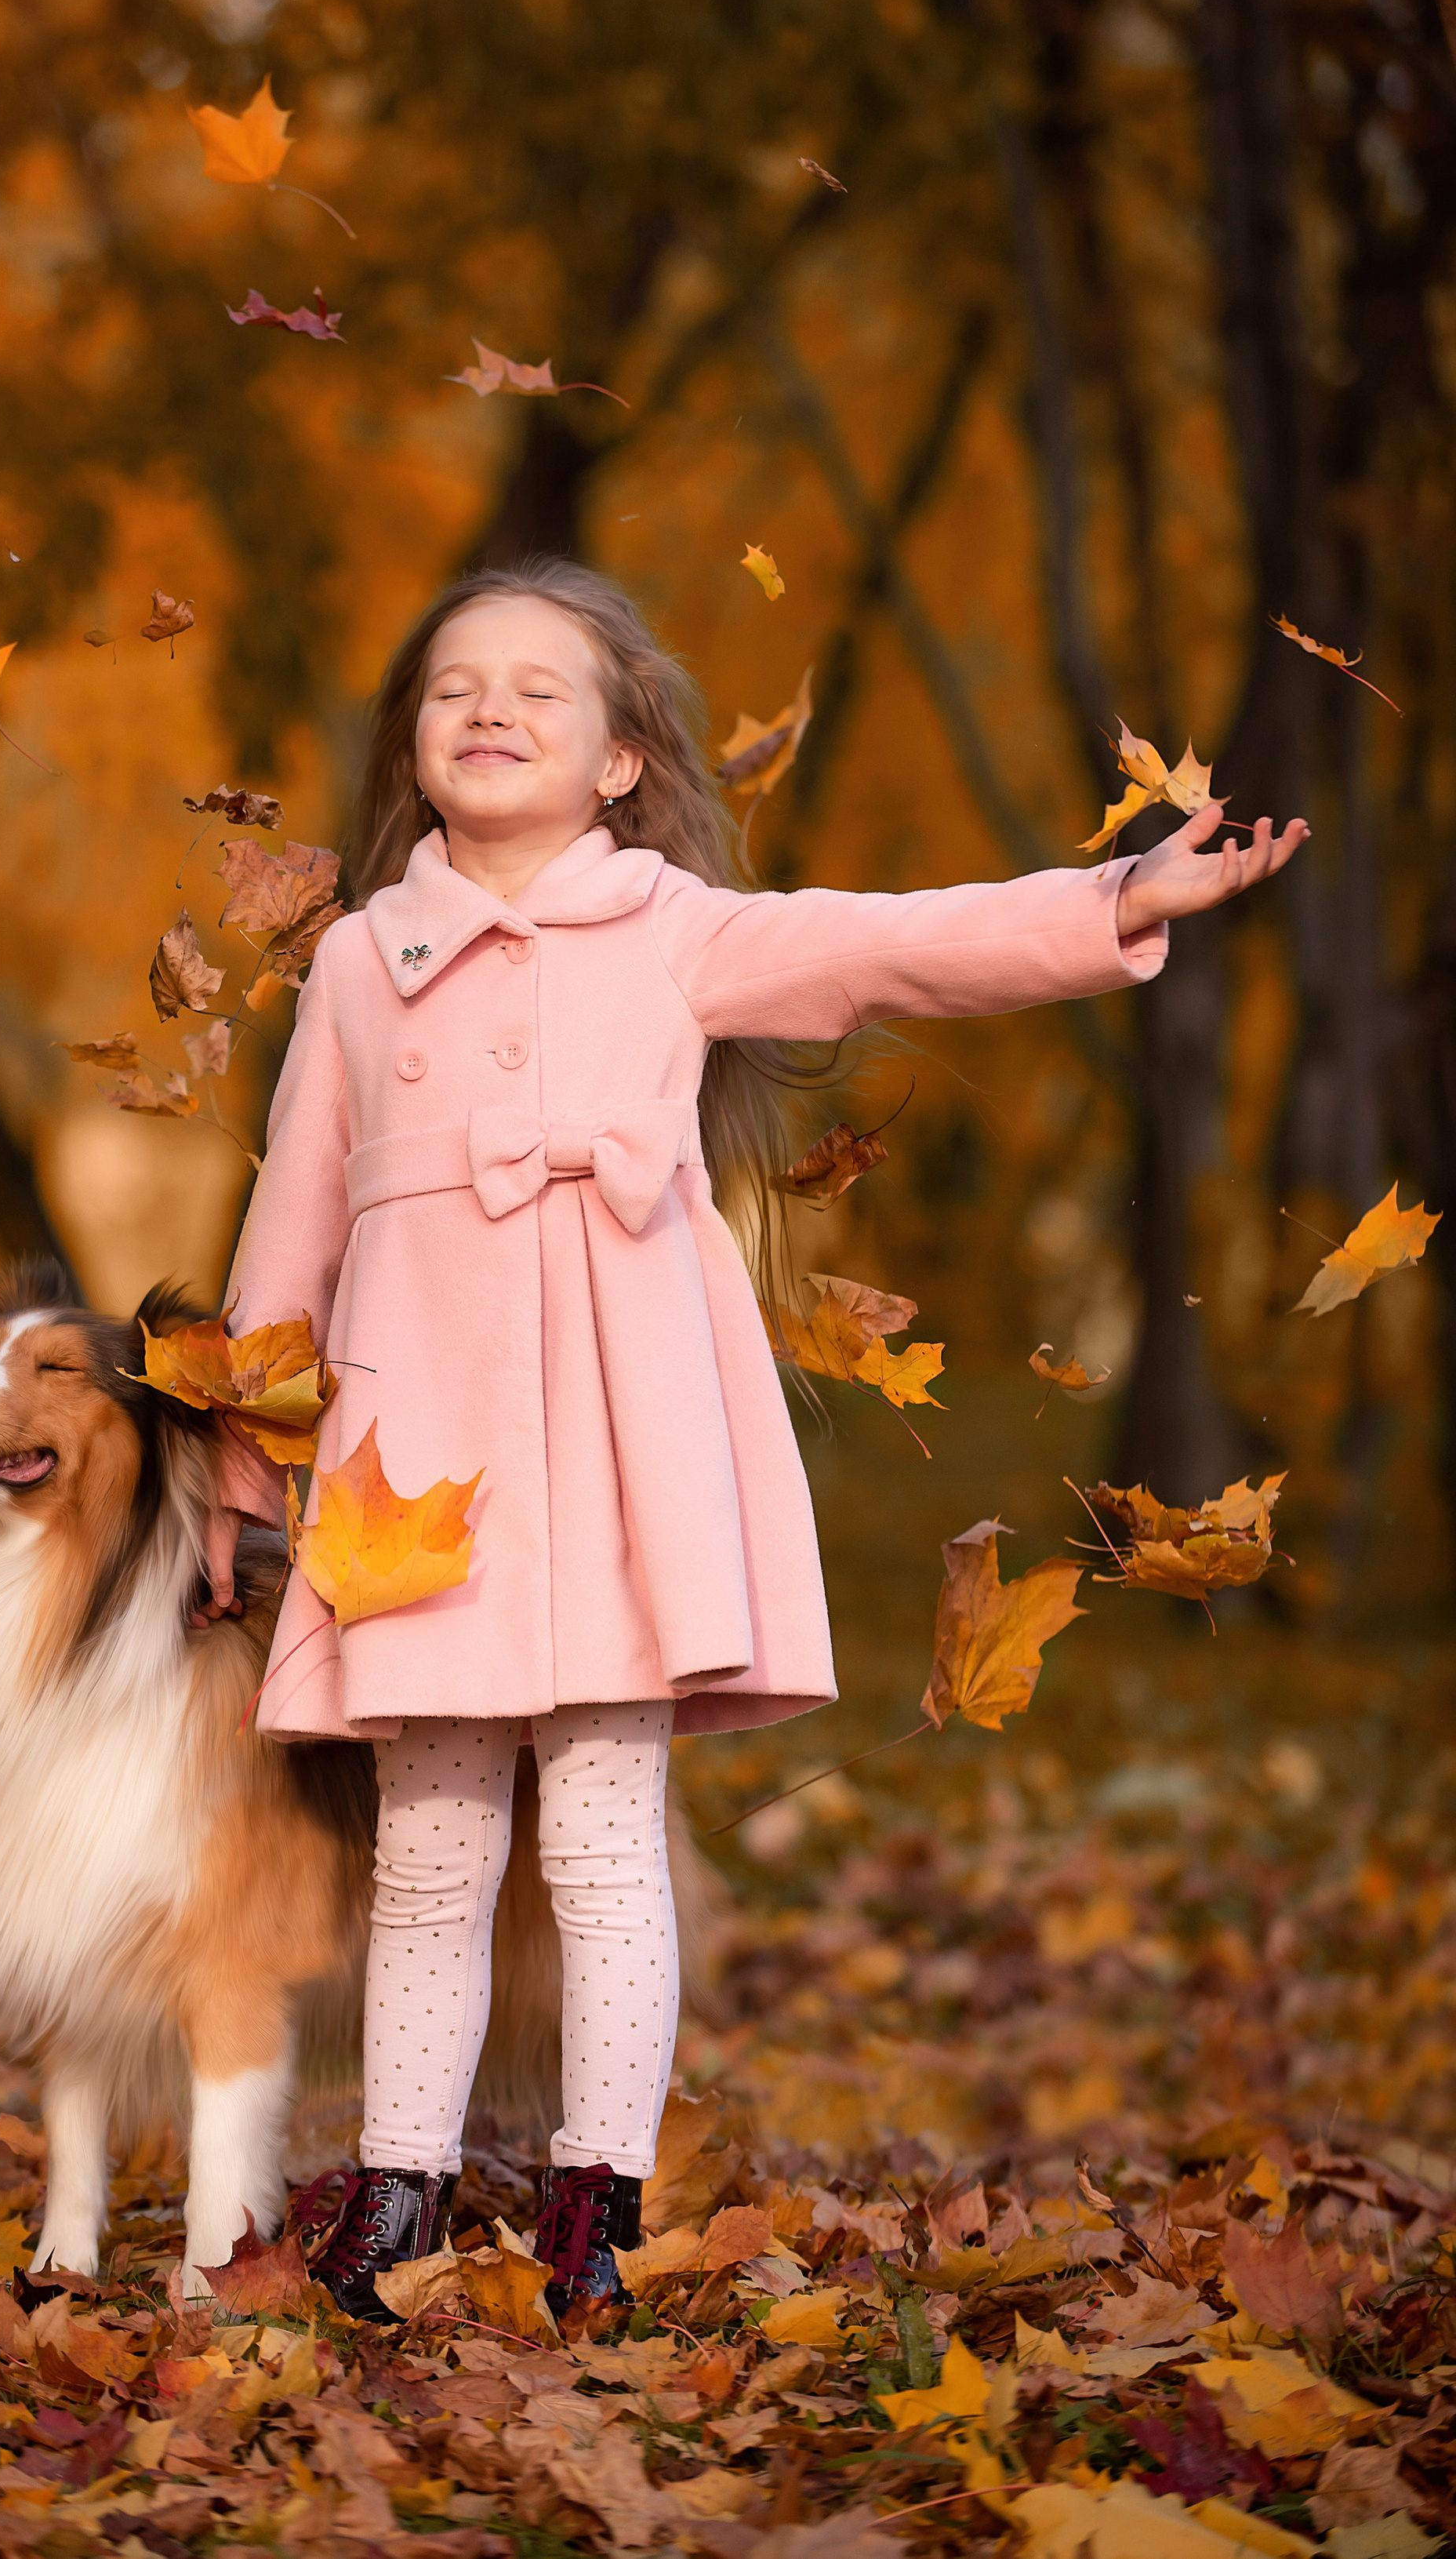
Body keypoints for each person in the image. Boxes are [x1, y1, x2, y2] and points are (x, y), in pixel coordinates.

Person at [219, 554, 1305, 2322]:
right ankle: (397, 2188)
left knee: (598, 1831)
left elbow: (891, 941)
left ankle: (597, 2204)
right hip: (417, 1448)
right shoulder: (356, 959)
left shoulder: (672, 930)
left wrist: (1116, 894)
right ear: (409, 740)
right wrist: (239, 1455)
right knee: (426, 1841)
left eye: (537, 691)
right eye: (450, 687)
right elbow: (292, 1221)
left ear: (623, 758)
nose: (487, 710)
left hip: (617, 1434)